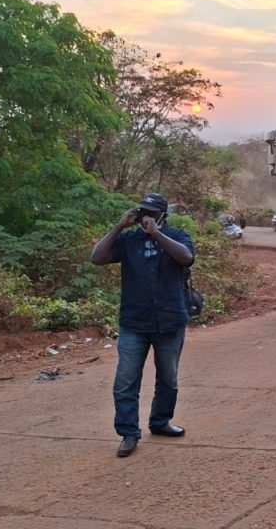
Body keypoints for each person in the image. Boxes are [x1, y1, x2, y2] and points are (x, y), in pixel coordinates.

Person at [91, 193, 196, 456]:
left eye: (151, 213)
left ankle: (160, 422)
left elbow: (186, 258)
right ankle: (128, 432)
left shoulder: (177, 236)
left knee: (168, 378)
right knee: (125, 380)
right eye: (142, 212)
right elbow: (97, 257)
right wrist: (119, 226)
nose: (145, 217)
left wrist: (157, 234)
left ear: (163, 215)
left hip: (170, 320)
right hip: (134, 321)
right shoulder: (128, 240)